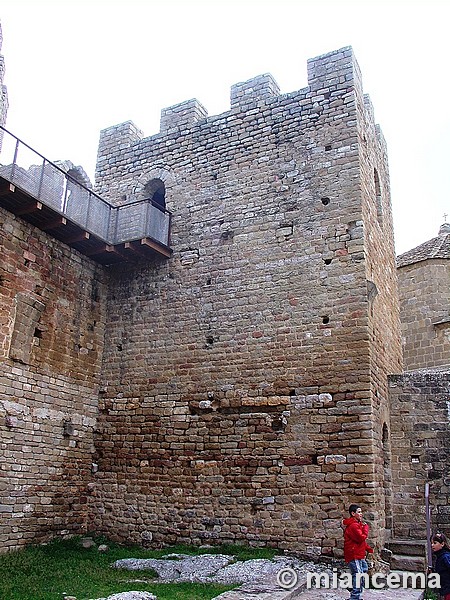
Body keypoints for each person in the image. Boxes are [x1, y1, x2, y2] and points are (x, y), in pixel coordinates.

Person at [342, 504, 374, 600]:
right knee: (358, 574)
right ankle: (355, 597)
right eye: (359, 512)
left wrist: (367, 548)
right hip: (354, 554)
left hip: (359, 553)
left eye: (361, 512)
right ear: (353, 513)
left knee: (364, 569)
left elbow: (361, 542)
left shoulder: (358, 524)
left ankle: (352, 586)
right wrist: (366, 529)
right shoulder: (353, 526)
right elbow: (361, 538)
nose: (361, 514)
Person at [430, 532, 450, 600]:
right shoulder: (440, 556)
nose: (432, 545)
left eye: (435, 543)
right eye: (431, 543)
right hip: (446, 589)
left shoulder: (445, 557)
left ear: (442, 544)